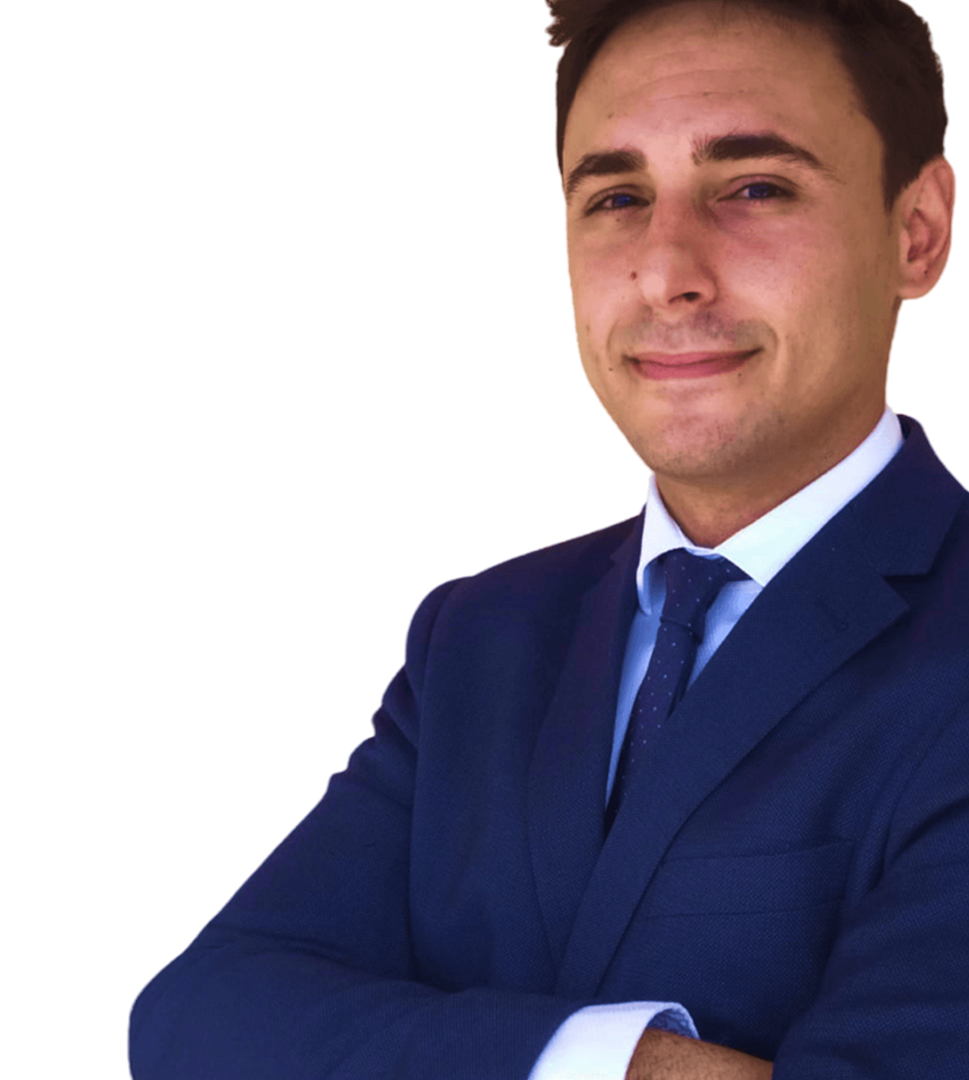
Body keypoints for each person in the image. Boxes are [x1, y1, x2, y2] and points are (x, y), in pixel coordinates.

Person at [127, 1, 966, 1077]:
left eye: (754, 188)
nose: (666, 272)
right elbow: (195, 1020)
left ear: (916, 232)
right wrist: (627, 1064)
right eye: (616, 198)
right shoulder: (478, 636)